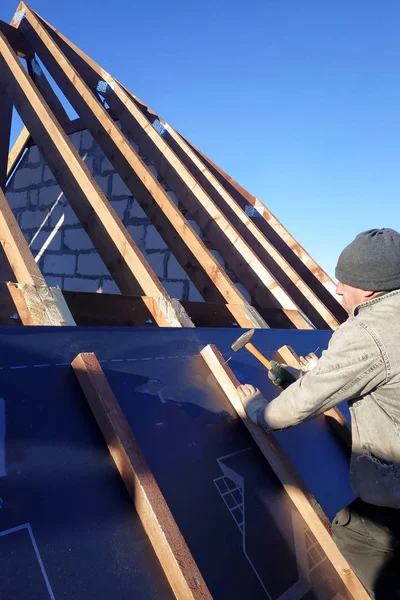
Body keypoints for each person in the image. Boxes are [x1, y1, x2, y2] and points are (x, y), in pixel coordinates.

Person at [237, 228, 400, 599]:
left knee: (357, 534)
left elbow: (287, 414)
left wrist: (257, 409)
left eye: (344, 282)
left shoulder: (367, 331)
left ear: (371, 290)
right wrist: (306, 378)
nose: (338, 290)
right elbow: (380, 377)